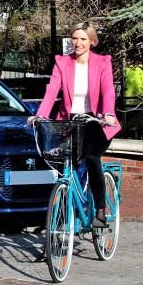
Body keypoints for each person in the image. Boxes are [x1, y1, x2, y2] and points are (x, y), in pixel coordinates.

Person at [29, 21, 121, 226]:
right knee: (62, 166)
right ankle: (59, 226)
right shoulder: (63, 63)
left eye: (83, 39)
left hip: (96, 121)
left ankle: (100, 210)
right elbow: (52, 91)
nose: (77, 43)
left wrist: (107, 113)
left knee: (91, 156)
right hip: (69, 121)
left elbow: (108, 90)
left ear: (92, 41)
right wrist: (41, 115)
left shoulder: (102, 63)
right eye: (75, 38)